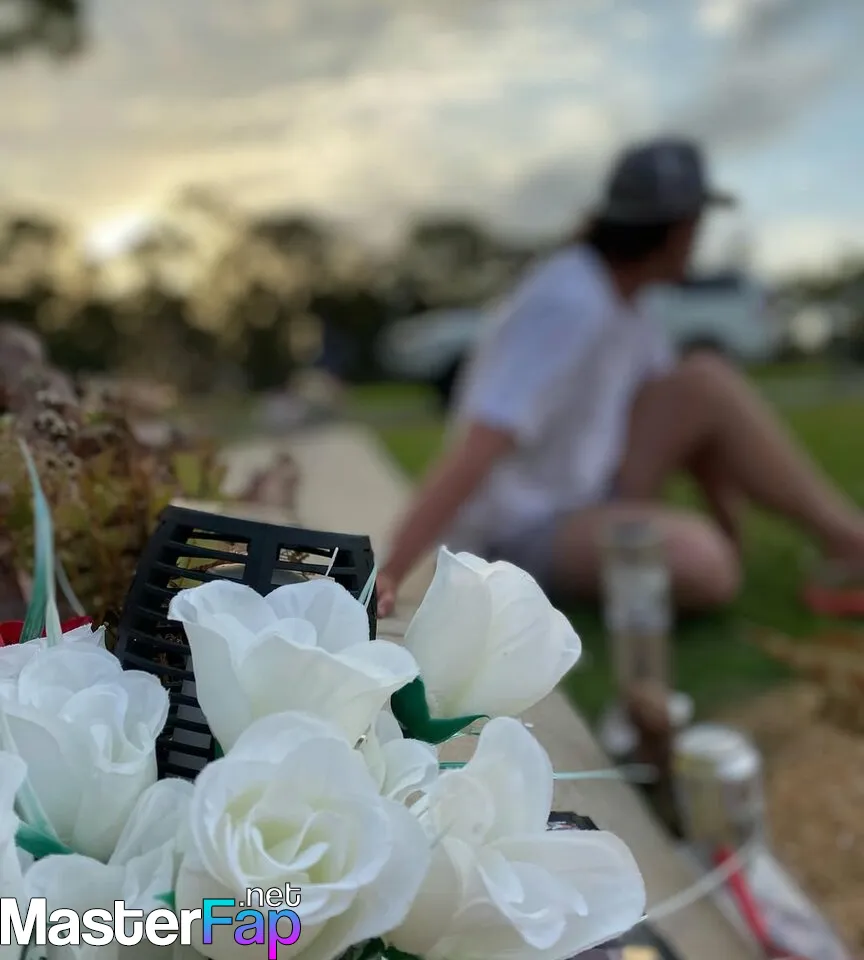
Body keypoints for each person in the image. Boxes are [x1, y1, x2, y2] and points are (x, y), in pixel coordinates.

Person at [376, 137, 864, 618]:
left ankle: (850, 544)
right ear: (676, 230)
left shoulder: (632, 305)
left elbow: (694, 422)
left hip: (592, 494)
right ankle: (759, 549)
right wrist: (393, 571)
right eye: (696, 226)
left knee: (705, 378)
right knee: (703, 563)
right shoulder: (567, 300)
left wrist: (729, 525)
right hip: (519, 529)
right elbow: (480, 444)